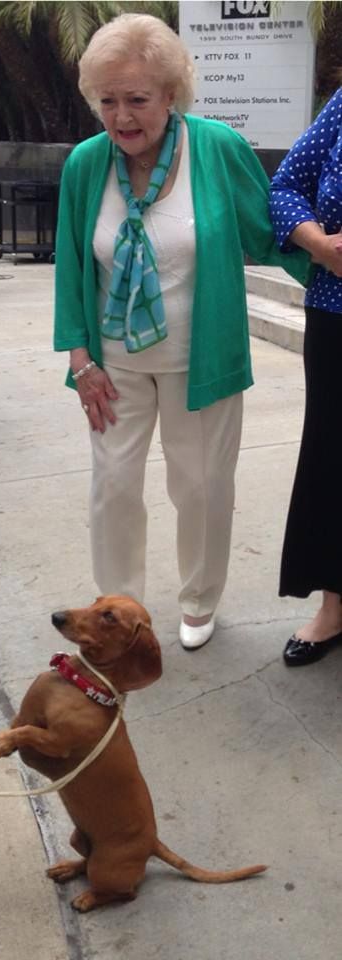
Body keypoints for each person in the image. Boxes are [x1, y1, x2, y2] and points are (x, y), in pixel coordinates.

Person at [54, 13, 309, 650]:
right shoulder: (87, 164)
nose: (121, 116)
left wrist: (324, 261)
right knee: (113, 487)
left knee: (200, 487)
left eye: (137, 99)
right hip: (113, 365)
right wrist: (81, 359)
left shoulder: (217, 149)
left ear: (172, 94)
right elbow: (72, 262)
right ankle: (119, 611)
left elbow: (270, 227)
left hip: (203, 359)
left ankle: (199, 598)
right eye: (107, 100)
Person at [269, 88, 342, 666]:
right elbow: (286, 186)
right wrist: (317, 243)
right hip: (337, 310)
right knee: (332, 456)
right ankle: (334, 606)